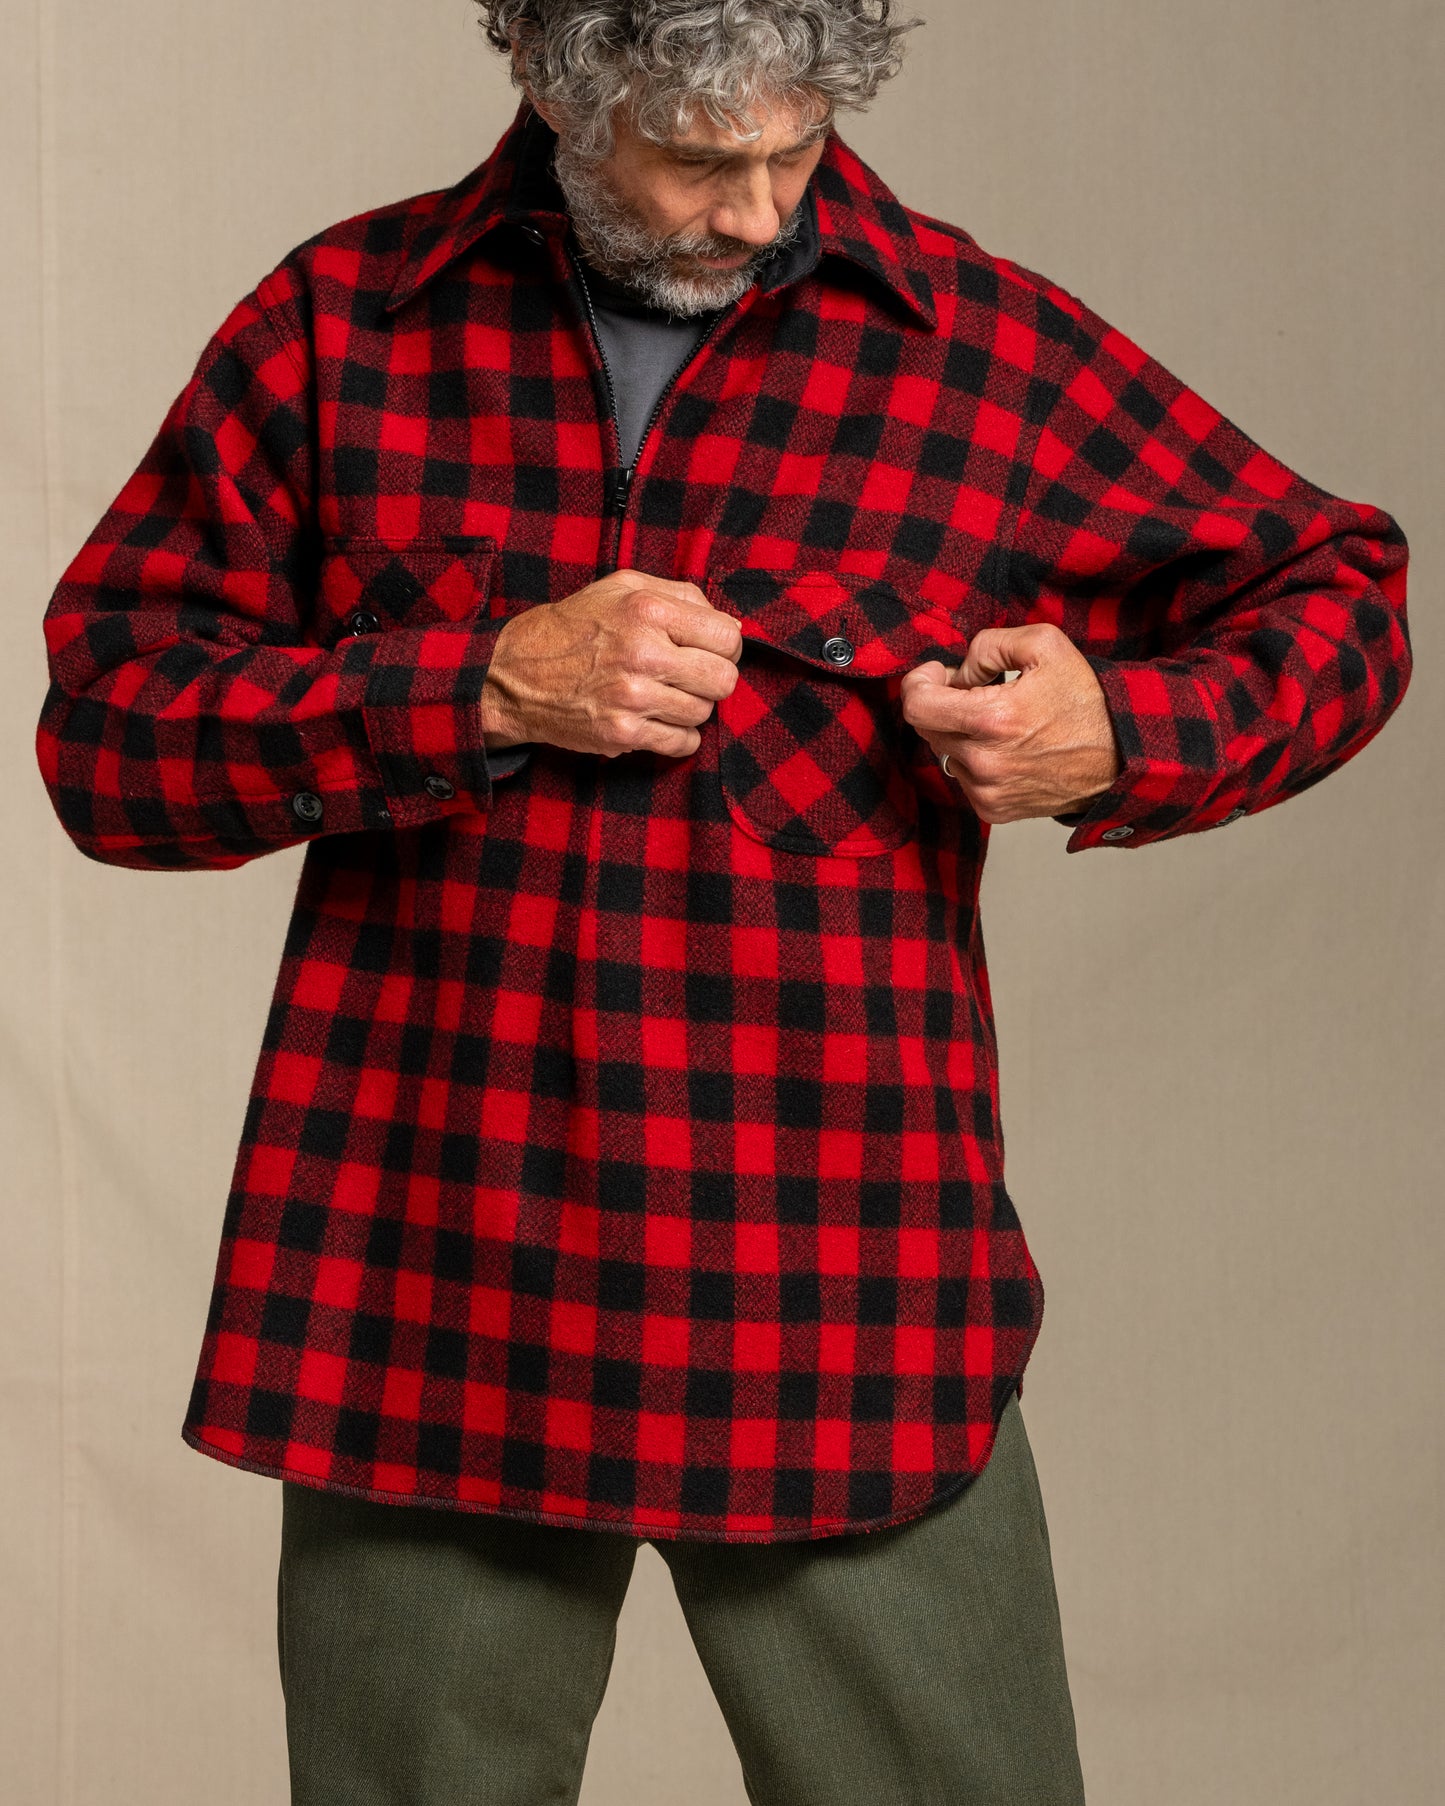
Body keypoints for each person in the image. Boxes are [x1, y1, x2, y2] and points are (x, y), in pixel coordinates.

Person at [35, 2, 1411, 1801]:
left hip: (836, 1280)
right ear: (546, 87)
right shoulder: (340, 328)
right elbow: (107, 736)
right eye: (697, 160)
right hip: (432, 1278)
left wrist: (1125, 729)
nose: (760, 210)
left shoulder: (972, 347)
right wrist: (472, 687)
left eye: (796, 149)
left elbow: (1338, 591)